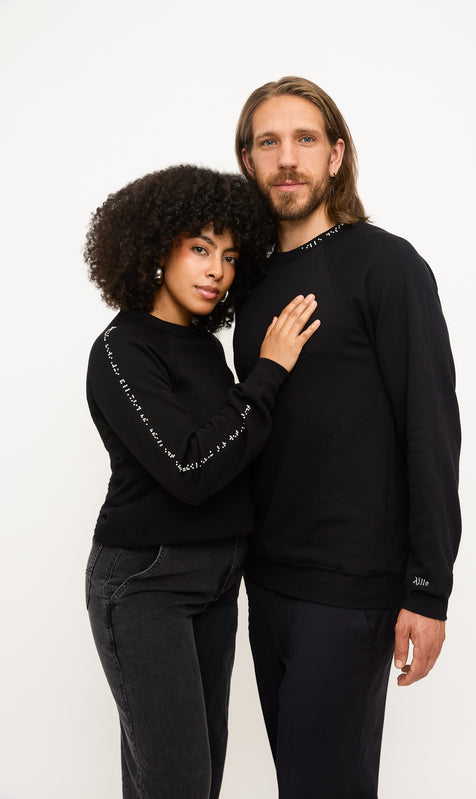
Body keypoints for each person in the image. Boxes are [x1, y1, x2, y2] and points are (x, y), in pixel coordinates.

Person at [233, 77, 461, 798]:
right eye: (268, 142)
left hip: (349, 590)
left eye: (304, 139)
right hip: (265, 582)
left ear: (336, 156)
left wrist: (428, 588)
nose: (287, 158)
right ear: (247, 161)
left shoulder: (385, 265)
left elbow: (430, 426)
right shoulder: (250, 283)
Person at [84, 164, 320, 799]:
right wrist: (269, 372)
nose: (217, 269)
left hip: (218, 578)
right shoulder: (122, 349)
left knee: (193, 780)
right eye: (199, 248)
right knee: (179, 784)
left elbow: (238, 451)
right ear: (155, 248)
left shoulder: (207, 350)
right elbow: (191, 468)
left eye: (230, 255)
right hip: (146, 582)